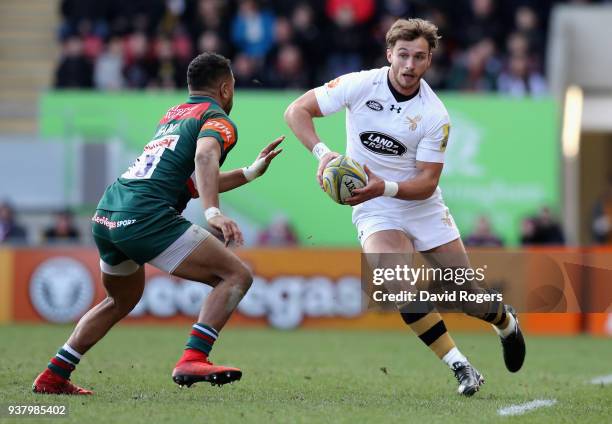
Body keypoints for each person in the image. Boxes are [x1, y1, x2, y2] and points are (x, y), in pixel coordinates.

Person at [284, 18, 525, 396]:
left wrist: (386, 185)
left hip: (420, 204)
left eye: (419, 57)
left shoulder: (435, 114)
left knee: (467, 298)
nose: (409, 65)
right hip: (374, 205)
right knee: (394, 284)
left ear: (429, 61)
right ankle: (460, 366)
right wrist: (323, 153)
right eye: (403, 55)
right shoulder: (361, 84)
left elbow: (428, 182)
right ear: (389, 54)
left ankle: (505, 321)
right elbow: (296, 110)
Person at [33, 52, 284, 395]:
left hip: (109, 212)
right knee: (237, 275)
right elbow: (205, 157)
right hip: (146, 216)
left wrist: (250, 172)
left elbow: (194, 179)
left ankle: (53, 376)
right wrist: (213, 212)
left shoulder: (174, 117)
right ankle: (194, 357)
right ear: (226, 88)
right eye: (234, 87)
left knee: (120, 300)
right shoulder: (217, 118)